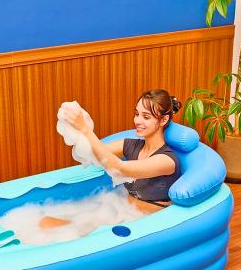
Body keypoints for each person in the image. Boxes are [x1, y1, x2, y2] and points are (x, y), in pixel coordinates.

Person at [39, 89, 182, 229]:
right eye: (136, 114)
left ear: (164, 120)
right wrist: (75, 130)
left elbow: (121, 169)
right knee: (48, 222)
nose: (137, 120)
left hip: (146, 223)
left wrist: (85, 130)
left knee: (62, 227)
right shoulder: (130, 145)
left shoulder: (166, 160)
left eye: (146, 117)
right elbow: (93, 154)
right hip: (122, 208)